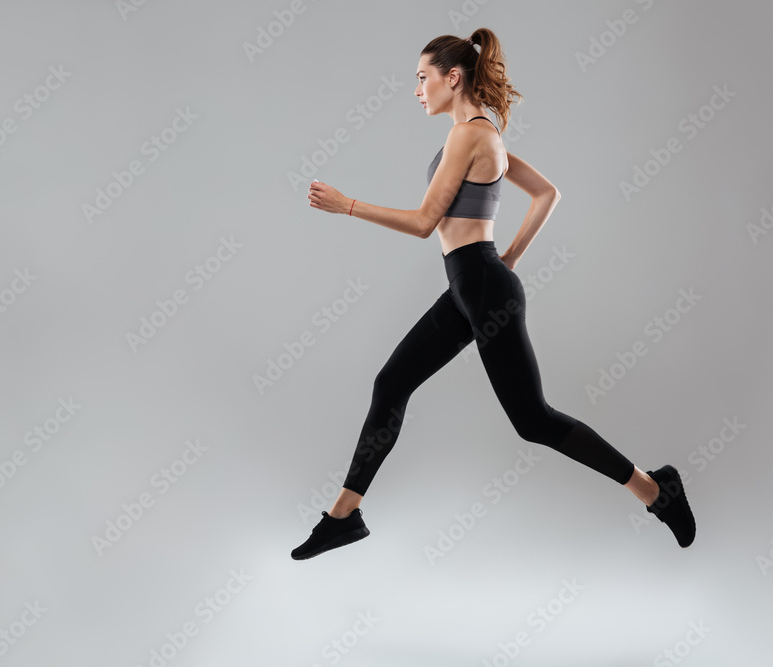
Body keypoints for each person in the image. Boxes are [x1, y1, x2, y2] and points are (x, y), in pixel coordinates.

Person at [293, 28, 695, 560]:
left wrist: (348, 205)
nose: (417, 89)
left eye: (422, 78)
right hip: (472, 283)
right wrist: (507, 260)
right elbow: (547, 193)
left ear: (451, 77)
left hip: (480, 286)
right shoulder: (480, 133)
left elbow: (422, 223)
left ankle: (655, 489)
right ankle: (342, 517)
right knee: (391, 383)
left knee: (534, 421)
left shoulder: (472, 135)